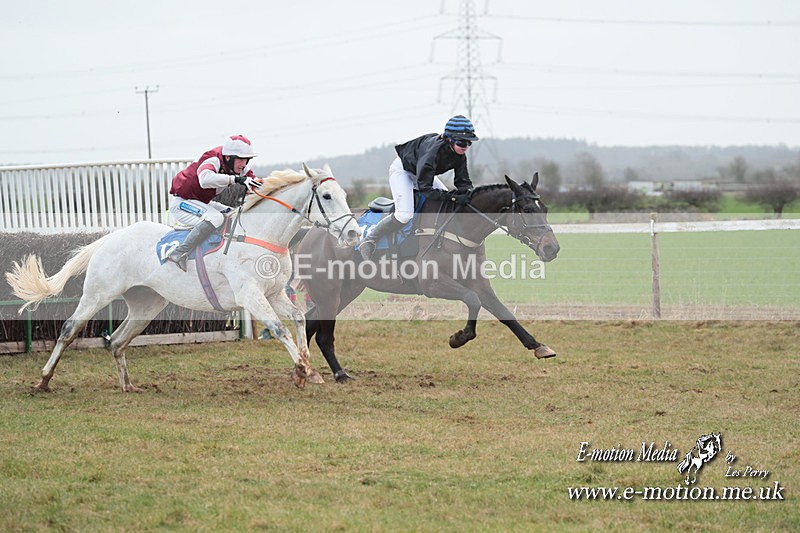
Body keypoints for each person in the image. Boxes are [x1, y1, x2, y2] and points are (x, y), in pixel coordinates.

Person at [359, 115, 479, 261]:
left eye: (469, 143)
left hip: (422, 173)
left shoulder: (460, 155)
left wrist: (471, 195)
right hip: (403, 171)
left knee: (447, 204)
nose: (465, 146)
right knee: (404, 215)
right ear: (449, 139)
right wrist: (454, 197)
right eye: (462, 142)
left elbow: (463, 182)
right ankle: (369, 240)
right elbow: (426, 189)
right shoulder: (433, 152)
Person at [165, 135, 262, 271]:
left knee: (232, 214)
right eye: (241, 159)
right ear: (228, 157)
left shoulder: (239, 167)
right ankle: (179, 252)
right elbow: (204, 180)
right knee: (216, 218)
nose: (244, 164)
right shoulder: (213, 159)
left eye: (247, 159)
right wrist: (236, 180)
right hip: (182, 203)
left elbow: (256, 182)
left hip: (203, 203)